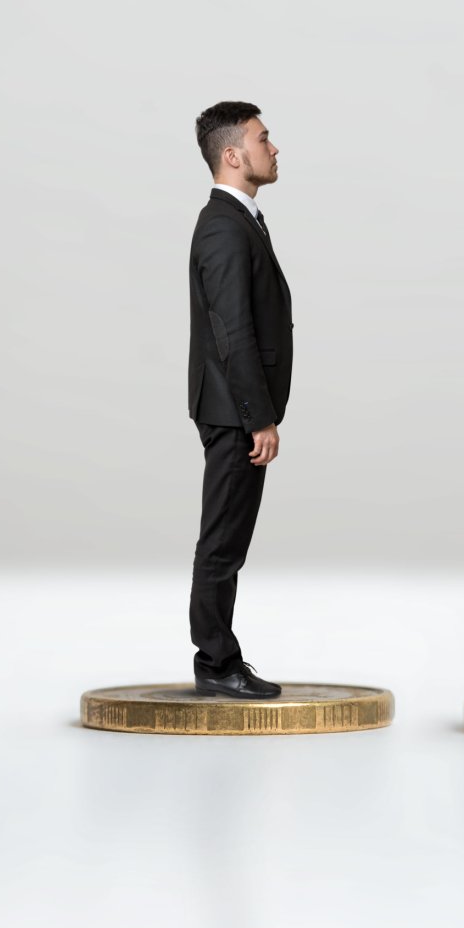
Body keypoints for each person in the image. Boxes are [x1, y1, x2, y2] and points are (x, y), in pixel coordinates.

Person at [186, 102, 293, 699]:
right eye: (263, 138)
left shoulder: (239, 219)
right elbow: (232, 331)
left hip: (235, 411)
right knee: (222, 541)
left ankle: (219, 658)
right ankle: (217, 662)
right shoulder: (225, 225)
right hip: (234, 414)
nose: (274, 148)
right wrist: (260, 418)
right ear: (233, 155)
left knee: (228, 539)